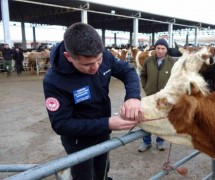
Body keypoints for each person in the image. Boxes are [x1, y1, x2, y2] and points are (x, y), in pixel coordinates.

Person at [42, 22, 143, 180]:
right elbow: (61, 124)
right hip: (78, 141)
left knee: (102, 170)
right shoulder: (54, 80)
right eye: (87, 64)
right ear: (69, 57)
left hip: (102, 133)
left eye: (99, 60)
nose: (96, 67)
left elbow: (128, 71)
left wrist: (133, 97)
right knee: (84, 175)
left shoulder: (102, 54)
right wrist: (107, 123)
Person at [138, 38, 175, 152]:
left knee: (162, 119)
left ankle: (160, 141)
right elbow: (143, 75)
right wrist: (146, 87)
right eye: (158, 48)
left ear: (166, 50)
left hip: (165, 98)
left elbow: (175, 79)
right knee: (147, 118)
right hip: (150, 96)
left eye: (163, 48)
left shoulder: (172, 62)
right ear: (155, 48)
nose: (160, 51)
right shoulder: (148, 61)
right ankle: (146, 142)